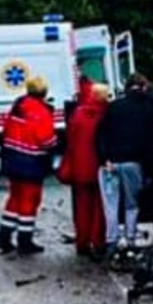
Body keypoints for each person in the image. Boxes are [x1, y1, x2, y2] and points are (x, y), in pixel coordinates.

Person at [97, 74, 153, 261]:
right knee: (131, 204)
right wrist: (150, 169)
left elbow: (100, 135)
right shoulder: (147, 108)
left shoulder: (113, 107)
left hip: (110, 164)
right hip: (133, 163)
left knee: (111, 204)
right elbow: (150, 141)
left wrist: (104, 158)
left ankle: (112, 241)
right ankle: (130, 239)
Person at [0, 74, 58, 254]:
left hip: (12, 159)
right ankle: (25, 240)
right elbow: (46, 140)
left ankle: (4, 235)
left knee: (14, 198)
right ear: (44, 93)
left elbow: (5, 130)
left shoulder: (17, 107)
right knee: (30, 201)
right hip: (31, 162)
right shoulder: (41, 112)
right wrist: (58, 144)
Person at [57, 81, 109, 260]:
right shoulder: (105, 114)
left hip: (79, 166)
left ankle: (82, 242)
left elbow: (70, 139)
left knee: (82, 207)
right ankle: (97, 241)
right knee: (100, 207)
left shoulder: (78, 114)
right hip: (99, 165)